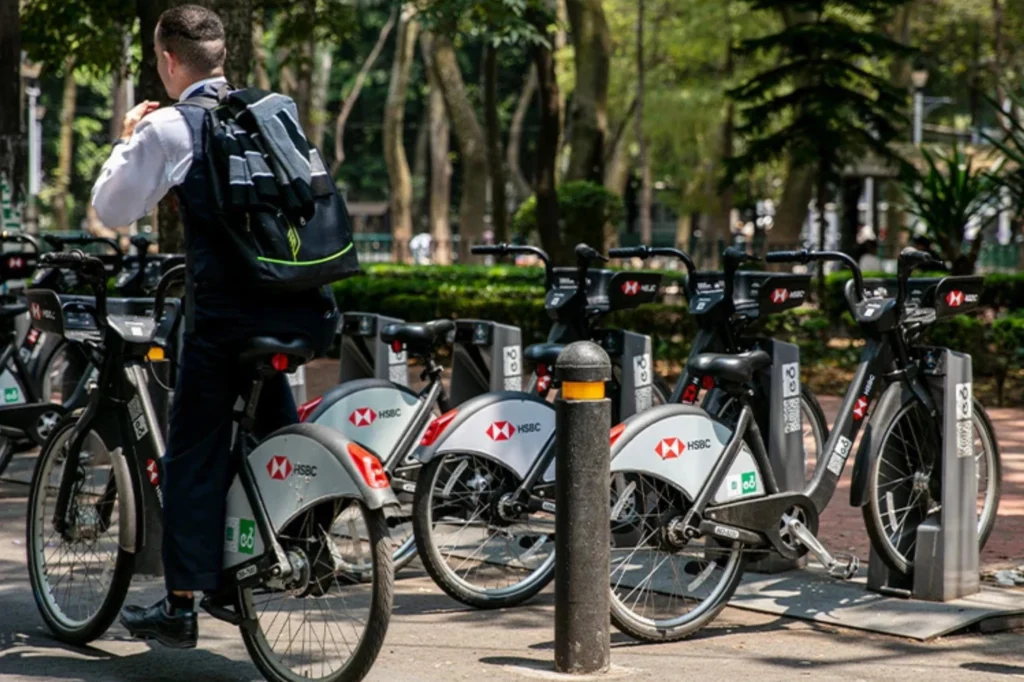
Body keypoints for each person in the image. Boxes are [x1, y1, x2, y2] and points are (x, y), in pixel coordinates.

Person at [90, 5, 338, 649]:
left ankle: (182, 601)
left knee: (193, 451)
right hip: (303, 306)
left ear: (168, 60)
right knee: (274, 430)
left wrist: (127, 135)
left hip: (225, 318)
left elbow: (112, 208)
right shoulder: (274, 108)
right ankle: (304, 543)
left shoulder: (171, 126)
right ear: (221, 56)